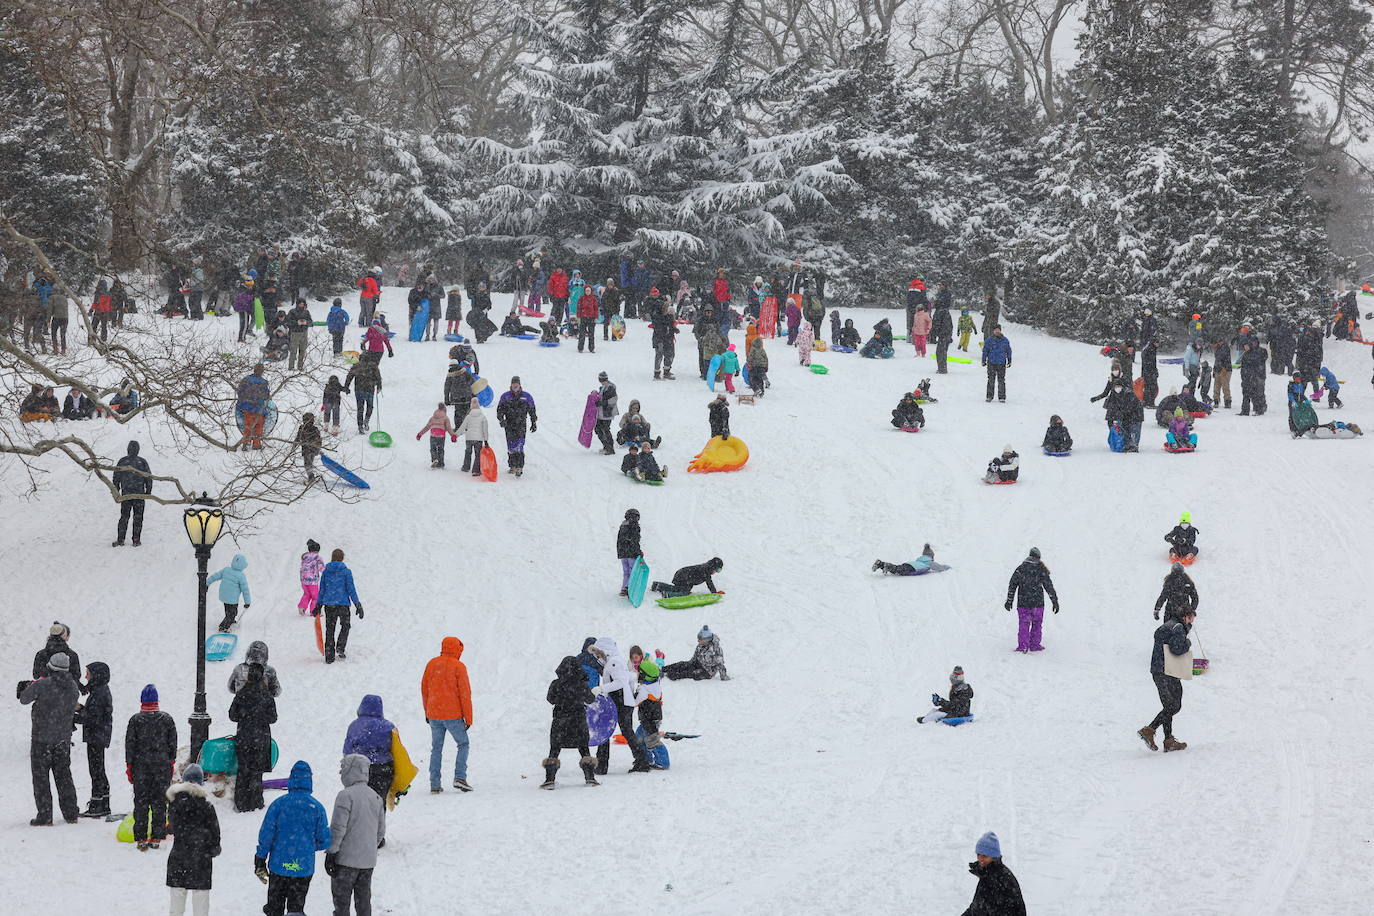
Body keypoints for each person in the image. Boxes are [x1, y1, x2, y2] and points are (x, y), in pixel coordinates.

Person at [255, 760, 332, 916]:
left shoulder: (278, 805)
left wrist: (260, 856)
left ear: (291, 779)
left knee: (274, 907)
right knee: (296, 908)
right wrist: (308, 845)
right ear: (309, 780)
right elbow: (323, 840)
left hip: (279, 866)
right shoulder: (316, 807)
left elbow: (266, 834)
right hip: (303, 868)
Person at [20, 652, 81, 826]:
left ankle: (45, 815)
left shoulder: (42, 685)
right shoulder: (73, 688)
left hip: (41, 739)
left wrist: (32, 686)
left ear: (50, 667)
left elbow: (24, 698)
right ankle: (71, 813)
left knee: (41, 778)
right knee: (64, 776)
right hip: (63, 739)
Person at [326, 754, 386, 915]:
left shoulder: (345, 795)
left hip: (345, 861)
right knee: (363, 901)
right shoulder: (376, 797)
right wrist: (369, 847)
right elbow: (380, 832)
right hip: (367, 862)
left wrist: (332, 852)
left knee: (342, 904)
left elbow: (338, 828)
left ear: (350, 771)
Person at [587, 638, 652, 774]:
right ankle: (640, 760)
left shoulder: (614, 662)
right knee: (620, 732)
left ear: (605, 651)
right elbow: (628, 679)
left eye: (599, 654)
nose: (598, 658)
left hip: (620, 703)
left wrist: (601, 688)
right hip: (620, 702)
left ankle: (640, 761)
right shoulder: (615, 661)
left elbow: (620, 682)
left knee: (617, 732)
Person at [126, 684, 178, 849]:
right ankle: (156, 836)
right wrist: (170, 761)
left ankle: (141, 837)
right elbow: (172, 744)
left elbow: (130, 745)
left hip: (141, 767)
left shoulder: (135, 720)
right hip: (161, 766)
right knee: (159, 803)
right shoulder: (167, 719)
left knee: (140, 803)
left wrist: (130, 766)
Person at [166, 764, 220, 916]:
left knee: (177, 898)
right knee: (200, 899)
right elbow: (215, 834)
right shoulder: (207, 806)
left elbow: (173, 828)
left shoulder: (174, 804)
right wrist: (212, 848)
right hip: (201, 858)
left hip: (179, 856)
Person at [421, 637, 474, 792]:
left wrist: (427, 711)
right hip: (453, 714)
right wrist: (468, 718)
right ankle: (460, 777)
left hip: (434, 714)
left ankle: (435, 784)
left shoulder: (432, 664)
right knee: (463, 744)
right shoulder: (459, 666)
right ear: (458, 650)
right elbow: (465, 694)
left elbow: (424, 689)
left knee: (436, 748)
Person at [1139, 609, 1196, 752]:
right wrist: (1187, 643)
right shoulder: (1178, 627)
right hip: (1168, 671)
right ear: (1184, 617)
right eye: (1191, 618)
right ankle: (1150, 730)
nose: (1192, 621)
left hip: (1158, 670)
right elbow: (1176, 648)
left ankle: (1168, 740)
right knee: (1173, 706)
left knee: (1169, 705)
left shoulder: (1169, 625)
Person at [541, 656, 600, 789]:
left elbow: (550, 699)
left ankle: (549, 779)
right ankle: (590, 777)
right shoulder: (581, 684)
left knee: (555, 749)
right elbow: (590, 699)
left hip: (560, 721)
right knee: (584, 748)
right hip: (578, 721)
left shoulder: (556, 684)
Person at [229, 663, 277, 813]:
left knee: (243, 770)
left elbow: (232, 715)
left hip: (244, 738)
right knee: (257, 771)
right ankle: (255, 801)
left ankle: (241, 802)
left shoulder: (241, 694)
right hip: (261, 739)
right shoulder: (266, 695)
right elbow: (273, 718)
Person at [75, 661, 112, 817]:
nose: (85, 676)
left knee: (96, 770)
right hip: (99, 734)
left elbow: (92, 718)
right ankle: (103, 802)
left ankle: (97, 804)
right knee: (99, 769)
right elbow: (94, 715)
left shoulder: (99, 693)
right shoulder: (100, 691)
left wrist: (73, 717)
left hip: (96, 735)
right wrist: (80, 709)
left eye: (88, 673)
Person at [1006, 547, 1059, 653]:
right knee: (1037, 624)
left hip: (1023, 603)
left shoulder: (1020, 569)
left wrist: (1009, 600)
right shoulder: (1041, 569)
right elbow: (1049, 586)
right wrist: (1054, 601)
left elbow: (1012, 585)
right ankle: (1034, 645)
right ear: (1038, 557)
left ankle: (1023, 646)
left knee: (1024, 625)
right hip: (1038, 604)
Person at [343, 695, 396, 801]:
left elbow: (347, 750)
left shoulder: (354, 726)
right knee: (379, 804)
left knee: (359, 804)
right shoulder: (388, 726)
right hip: (382, 770)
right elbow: (396, 751)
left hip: (358, 770)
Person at [961, 832, 1027, 916]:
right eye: (978, 854)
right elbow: (977, 908)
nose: (980, 859)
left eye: (984, 856)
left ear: (993, 856)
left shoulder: (1002, 879)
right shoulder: (986, 875)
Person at [316, 549, 363, 664]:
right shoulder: (346, 572)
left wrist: (318, 604)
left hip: (329, 605)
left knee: (330, 629)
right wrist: (357, 604)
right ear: (342, 558)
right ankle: (340, 647)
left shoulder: (326, 572)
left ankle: (329, 656)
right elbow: (351, 589)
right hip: (343, 605)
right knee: (345, 626)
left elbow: (322, 589)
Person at [111, 440, 152, 547]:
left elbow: (116, 477)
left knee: (124, 517)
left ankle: (121, 540)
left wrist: (116, 489)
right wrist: (148, 491)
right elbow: (149, 477)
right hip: (139, 495)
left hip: (126, 495)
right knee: (138, 518)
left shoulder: (123, 461)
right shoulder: (142, 462)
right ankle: (136, 540)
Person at [496, 376, 537, 476]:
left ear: (520, 385)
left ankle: (519, 466)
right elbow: (500, 410)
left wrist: (533, 422)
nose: (515, 386)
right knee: (511, 446)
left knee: (519, 445)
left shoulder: (526, 396)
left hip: (521, 424)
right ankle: (512, 466)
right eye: (513, 384)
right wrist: (501, 420)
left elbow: (532, 410)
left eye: (517, 384)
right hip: (509, 424)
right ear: (511, 385)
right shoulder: (505, 396)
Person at [207, 553, 252, 632]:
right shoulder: (241, 576)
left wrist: (207, 583)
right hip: (232, 599)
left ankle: (229, 620)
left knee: (228, 610)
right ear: (242, 566)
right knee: (233, 613)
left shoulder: (226, 570)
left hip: (224, 596)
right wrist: (247, 602)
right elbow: (245, 590)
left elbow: (215, 576)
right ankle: (223, 627)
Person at [34, 622, 82, 687]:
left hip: (43, 692)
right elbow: (76, 676)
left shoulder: (41, 654)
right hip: (66, 692)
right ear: (66, 637)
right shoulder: (72, 655)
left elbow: (36, 675)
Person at [236, 363, 271, 450]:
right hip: (259, 408)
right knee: (259, 426)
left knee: (248, 426)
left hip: (247, 407)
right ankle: (256, 444)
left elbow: (240, 392)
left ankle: (246, 443)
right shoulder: (263, 382)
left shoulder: (246, 379)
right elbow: (266, 396)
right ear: (262, 371)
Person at [343, 358, 382, 434]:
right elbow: (378, 376)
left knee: (360, 408)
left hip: (359, 389)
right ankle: (366, 420)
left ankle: (360, 426)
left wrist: (346, 387)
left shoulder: (357, 365)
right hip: (369, 389)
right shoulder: (373, 365)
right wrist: (379, 386)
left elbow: (349, 376)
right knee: (370, 406)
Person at [415, 401, 458, 469]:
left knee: (433, 449)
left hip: (433, 434)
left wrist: (420, 434)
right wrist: (453, 435)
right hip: (441, 434)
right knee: (440, 449)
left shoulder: (433, 417)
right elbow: (449, 428)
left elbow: (427, 427)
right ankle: (441, 463)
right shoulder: (445, 418)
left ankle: (435, 459)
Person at [651, 557, 724, 597]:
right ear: (713, 566)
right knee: (684, 592)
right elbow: (709, 583)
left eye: (719, 570)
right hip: (682, 576)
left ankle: (658, 585)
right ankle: (668, 594)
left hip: (683, 575)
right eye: (717, 569)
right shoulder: (706, 570)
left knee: (681, 589)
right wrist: (715, 593)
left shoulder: (706, 568)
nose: (717, 572)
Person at [1103, 381, 1144, 452]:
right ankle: (1125, 443)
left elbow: (1129, 408)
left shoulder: (1129, 394)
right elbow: (1109, 409)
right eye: (1116, 387)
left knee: (1133, 429)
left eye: (1119, 386)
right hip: (1124, 415)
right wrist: (1112, 423)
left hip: (1136, 415)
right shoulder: (1113, 395)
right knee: (1121, 428)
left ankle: (1133, 445)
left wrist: (1120, 416)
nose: (1117, 388)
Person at [872, 543, 950, 576]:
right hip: (912, 568)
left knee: (897, 570)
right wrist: (948, 567)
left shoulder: (920, 560)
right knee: (898, 571)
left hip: (909, 564)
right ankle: (887, 565)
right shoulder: (929, 562)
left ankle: (880, 564)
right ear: (931, 556)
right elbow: (939, 568)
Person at [458, 396, 489, 477]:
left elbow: (462, 427)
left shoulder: (468, 417)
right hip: (478, 439)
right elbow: (485, 429)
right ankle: (476, 470)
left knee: (468, 452)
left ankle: (466, 467)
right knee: (478, 454)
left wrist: (455, 435)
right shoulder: (482, 416)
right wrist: (486, 440)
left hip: (469, 438)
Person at [982, 325, 1012, 402]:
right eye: (995, 330)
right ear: (993, 331)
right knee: (991, 380)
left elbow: (1008, 350)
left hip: (1001, 363)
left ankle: (1002, 397)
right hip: (991, 362)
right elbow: (985, 350)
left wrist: (1009, 359)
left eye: (998, 330)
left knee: (1001, 380)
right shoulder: (989, 340)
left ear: (1000, 331)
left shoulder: (1005, 340)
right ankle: (989, 396)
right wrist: (983, 359)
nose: (997, 331)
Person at [1239, 339, 1268, 416]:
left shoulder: (1261, 351)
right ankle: (1245, 410)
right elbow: (1243, 366)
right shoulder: (1246, 354)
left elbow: (1261, 361)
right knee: (1246, 393)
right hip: (1247, 377)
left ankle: (1260, 408)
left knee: (1258, 393)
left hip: (1257, 376)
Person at [617, 508, 642, 596]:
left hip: (623, 553)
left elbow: (621, 540)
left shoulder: (623, 526)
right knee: (633, 571)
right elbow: (634, 541)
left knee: (626, 571)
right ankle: (630, 588)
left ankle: (624, 587)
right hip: (631, 552)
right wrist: (639, 552)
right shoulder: (634, 525)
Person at [594, 371, 618, 454]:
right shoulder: (602, 387)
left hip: (607, 413)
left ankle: (610, 448)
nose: (602, 381)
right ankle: (606, 446)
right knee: (598, 429)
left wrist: (604, 403)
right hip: (601, 413)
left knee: (605, 429)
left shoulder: (610, 387)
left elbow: (614, 399)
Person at [298, 539, 324, 615]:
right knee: (315, 597)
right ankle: (314, 611)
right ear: (317, 550)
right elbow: (321, 567)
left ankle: (302, 607)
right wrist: (327, 571)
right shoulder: (317, 557)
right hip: (312, 582)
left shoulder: (305, 557)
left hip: (304, 581)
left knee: (307, 594)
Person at [285, 298, 312, 370]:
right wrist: (296, 323)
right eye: (300, 304)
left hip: (304, 333)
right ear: (297, 304)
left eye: (303, 304)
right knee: (293, 351)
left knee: (303, 351)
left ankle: (300, 366)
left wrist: (306, 322)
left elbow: (311, 322)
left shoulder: (306, 312)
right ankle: (291, 367)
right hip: (295, 333)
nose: (302, 305)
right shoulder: (292, 312)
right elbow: (287, 322)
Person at [931, 295, 954, 372]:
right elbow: (950, 324)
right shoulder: (946, 312)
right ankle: (943, 367)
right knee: (943, 352)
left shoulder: (939, 312)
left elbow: (936, 324)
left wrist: (933, 335)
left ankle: (942, 369)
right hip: (947, 334)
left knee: (940, 352)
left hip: (942, 335)